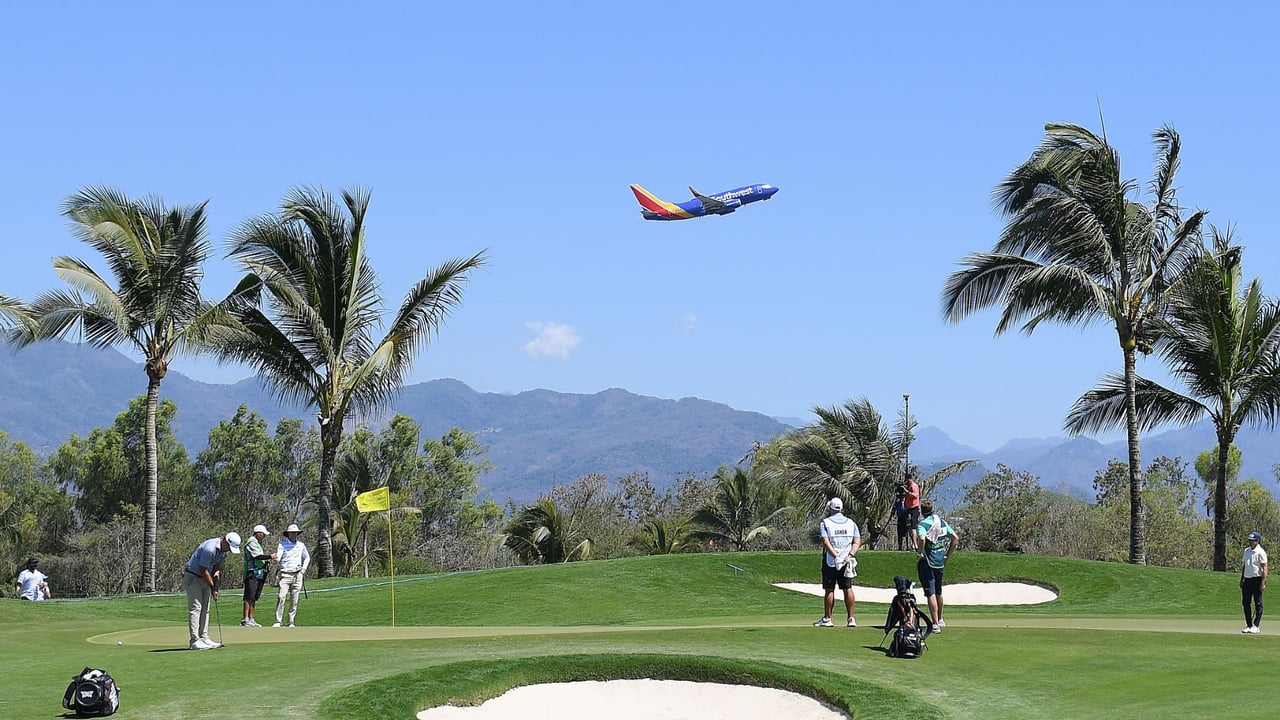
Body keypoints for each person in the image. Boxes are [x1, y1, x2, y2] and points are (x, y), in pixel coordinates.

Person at [183, 532, 241, 650]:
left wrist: (216, 587)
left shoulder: (224, 552)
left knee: (206, 608)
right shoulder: (210, 548)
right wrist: (212, 586)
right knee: (196, 608)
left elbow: (216, 568)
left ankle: (204, 637)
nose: (229, 550)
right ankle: (194, 641)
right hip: (193, 577)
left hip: (205, 578)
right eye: (229, 547)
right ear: (224, 541)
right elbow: (203, 569)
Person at [813, 497, 861, 628]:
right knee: (847, 588)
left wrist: (836, 555)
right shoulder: (851, 523)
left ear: (830, 508)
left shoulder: (825, 522)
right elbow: (857, 541)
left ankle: (828, 618)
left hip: (831, 560)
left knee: (829, 589)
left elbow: (825, 541)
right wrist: (850, 555)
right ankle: (851, 618)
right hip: (846, 560)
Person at [915, 499, 958, 632]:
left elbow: (921, 538)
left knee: (931, 593)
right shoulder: (942, 522)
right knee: (939, 591)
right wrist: (947, 556)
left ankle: (934, 624)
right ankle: (940, 619)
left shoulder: (923, 524)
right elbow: (955, 538)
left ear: (922, 512)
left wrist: (920, 552)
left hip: (928, 561)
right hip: (940, 561)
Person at [273, 523, 310, 627]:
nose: (294, 535)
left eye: (295, 533)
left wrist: (303, 569)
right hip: (285, 574)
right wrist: (277, 559)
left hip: (298, 575)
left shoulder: (301, 545)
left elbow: (307, 557)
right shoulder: (282, 544)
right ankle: (278, 621)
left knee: (295, 599)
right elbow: (279, 556)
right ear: (288, 534)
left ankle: (291, 621)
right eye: (292, 533)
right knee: (281, 597)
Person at [242, 524, 274, 627]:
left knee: (254, 596)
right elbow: (257, 556)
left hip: (259, 573)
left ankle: (251, 618)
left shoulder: (257, 543)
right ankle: (245, 618)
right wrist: (270, 556)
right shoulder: (251, 542)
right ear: (258, 533)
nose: (264, 536)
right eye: (263, 534)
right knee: (249, 596)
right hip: (252, 572)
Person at [1241, 531, 1268, 634]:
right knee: (1245, 603)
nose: (1250, 542)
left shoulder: (1261, 552)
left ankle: (1256, 626)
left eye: (1252, 540)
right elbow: (1245, 566)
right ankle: (1249, 625)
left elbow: (1265, 568)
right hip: (1247, 580)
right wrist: (1242, 579)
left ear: (1257, 541)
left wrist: (1263, 582)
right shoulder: (1246, 551)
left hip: (1257, 579)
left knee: (1258, 603)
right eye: (1250, 540)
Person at [903, 471, 921, 543]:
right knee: (909, 526)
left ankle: (915, 544)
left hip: (914, 509)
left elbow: (915, 495)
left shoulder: (913, 486)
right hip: (908, 508)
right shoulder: (908, 486)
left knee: (913, 527)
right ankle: (913, 542)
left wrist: (907, 492)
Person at [893, 485, 909, 551]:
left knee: (907, 532)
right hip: (900, 517)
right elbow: (894, 508)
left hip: (906, 517)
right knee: (899, 533)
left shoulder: (907, 501)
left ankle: (908, 546)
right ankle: (900, 547)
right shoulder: (897, 502)